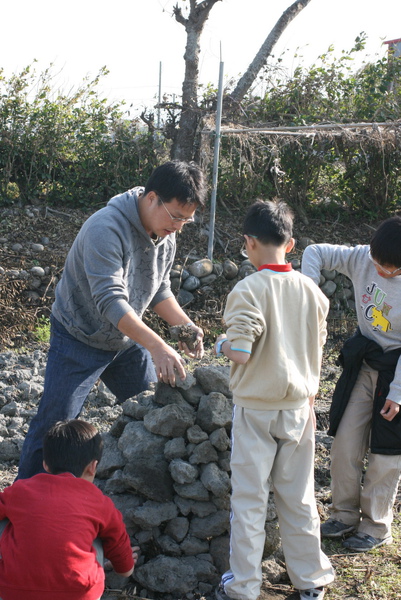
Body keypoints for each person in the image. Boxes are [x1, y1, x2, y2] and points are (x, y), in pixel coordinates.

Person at [17, 160, 207, 479]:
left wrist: (184, 325)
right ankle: (19, 509)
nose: (178, 226)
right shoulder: (105, 228)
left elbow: (159, 287)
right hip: (78, 336)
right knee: (55, 426)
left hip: (125, 342)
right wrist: (158, 346)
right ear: (151, 198)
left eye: (186, 220)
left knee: (153, 410)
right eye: (176, 216)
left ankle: (139, 495)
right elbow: (110, 300)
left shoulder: (166, 234)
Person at [213, 200, 335, 600]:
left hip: (256, 411)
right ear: (292, 243)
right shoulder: (312, 292)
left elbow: (242, 351)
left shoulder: (248, 290)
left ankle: (245, 586)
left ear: (248, 243)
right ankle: (310, 581)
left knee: (249, 501)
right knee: (299, 499)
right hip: (299, 410)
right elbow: (317, 350)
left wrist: (221, 344)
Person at [301, 216, 401, 553]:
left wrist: (398, 393)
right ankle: (343, 514)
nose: (382, 272)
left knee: (386, 453)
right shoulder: (363, 257)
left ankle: (375, 525)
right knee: (345, 440)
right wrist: (309, 297)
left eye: (392, 270)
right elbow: (315, 252)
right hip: (365, 362)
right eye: (379, 264)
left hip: (397, 371)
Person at [0, 419, 138, 600]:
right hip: (80, 593)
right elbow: (119, 545)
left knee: (7, 522)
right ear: (93, 467)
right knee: (95, 536)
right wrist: (126, 568)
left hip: (13, 591)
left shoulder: (20, 490)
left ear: (45, 464)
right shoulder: (98, 501)